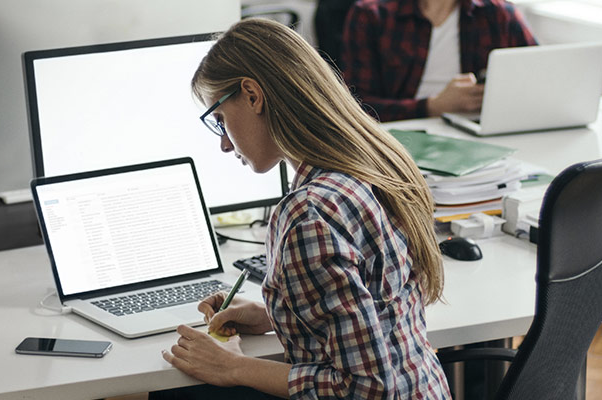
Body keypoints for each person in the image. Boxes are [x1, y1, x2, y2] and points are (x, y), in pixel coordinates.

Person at [160, 18, 450, 399]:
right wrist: (276, 316)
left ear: (252, 95)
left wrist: (233, 367)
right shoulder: (376, 162)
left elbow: (366, 390)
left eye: (220, 120)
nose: (225, 146)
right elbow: (377, 313)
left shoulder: (309, 214)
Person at [341, 0, 537, 121]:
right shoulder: (370, 14)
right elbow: (354, 107)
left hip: (476, 129)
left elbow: (541, 78)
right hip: (402, 134)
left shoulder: (500, 14)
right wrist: (432, 106)